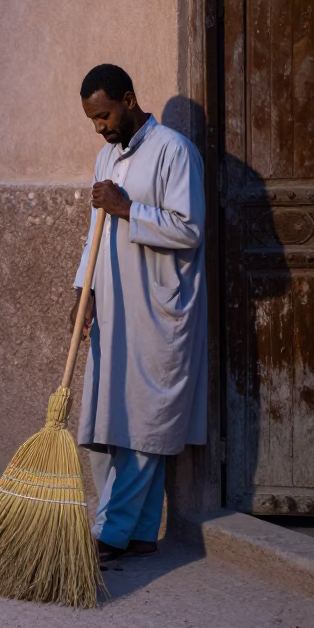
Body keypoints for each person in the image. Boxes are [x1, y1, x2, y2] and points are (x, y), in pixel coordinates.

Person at [69, 64, 207, 564]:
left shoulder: (174, 150)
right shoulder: (106, 155)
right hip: (112, 302)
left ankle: (110, 530)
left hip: (158, 309)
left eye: (104, 115)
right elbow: (95, 231)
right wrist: (83, 290)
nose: (100, 128)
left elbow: (189, 229)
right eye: (92, 120)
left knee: (147, 424)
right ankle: (143, 533)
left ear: (128, 99)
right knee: (106, 425)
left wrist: (128, 208)